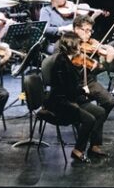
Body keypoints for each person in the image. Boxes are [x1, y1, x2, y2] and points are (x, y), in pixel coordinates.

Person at [45, 32, 109, 163]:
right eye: (79, 45)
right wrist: (82, 90)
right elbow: (66, 90)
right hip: (60, 102)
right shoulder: (61, 63)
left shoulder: (71, 59)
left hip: (72, 98)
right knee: (89, 119)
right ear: (72, 46)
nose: (81, 47)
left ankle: (94, 146)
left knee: (101, 112)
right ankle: (78, 150)